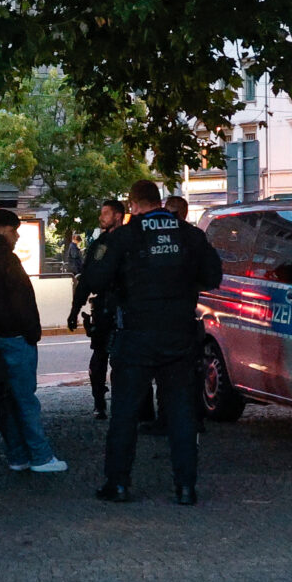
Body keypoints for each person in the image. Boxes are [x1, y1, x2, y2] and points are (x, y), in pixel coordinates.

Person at [80, 180, 222, 504]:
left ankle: (118, 483)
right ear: (158, 202)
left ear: (132, 205)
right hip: (179, 334)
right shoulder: (188, 234)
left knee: (126, 413)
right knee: (182, 412)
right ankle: (185, 488)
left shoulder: (125, 236)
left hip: (137, 334)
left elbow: (96, 280)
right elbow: (213, 277)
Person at [0, 208, 66, 474]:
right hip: (15, 338)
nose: (17, 236)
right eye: (14, 230)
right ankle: (41, 456)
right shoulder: (7, 260)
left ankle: (17, 455)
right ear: (2, 229)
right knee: (26, 400)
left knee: (4, 400)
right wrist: (32, 334)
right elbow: (23, 302)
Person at [66, 200, 127, 418]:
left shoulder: (123, 240)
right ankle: (100, 402)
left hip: (123, 305)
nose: (101, 218)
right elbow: (88, 279)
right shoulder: (101, 242)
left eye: (106, 213)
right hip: (107, 305)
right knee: (101, 357)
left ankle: (117, 404)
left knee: (121, 358)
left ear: (118, 215)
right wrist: (75, 309)